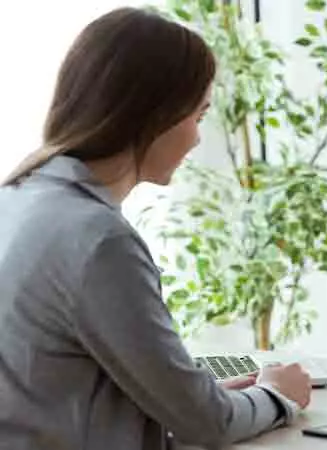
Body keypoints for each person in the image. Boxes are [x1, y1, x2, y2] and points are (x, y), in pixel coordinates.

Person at [0, 7, 311, 450]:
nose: (197, 138)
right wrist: (278, 395)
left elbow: (67, 385)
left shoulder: (18, 197)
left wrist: (190, 397)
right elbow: (208, 426)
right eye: (198, 116)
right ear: (155, 113)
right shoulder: (98, 240)